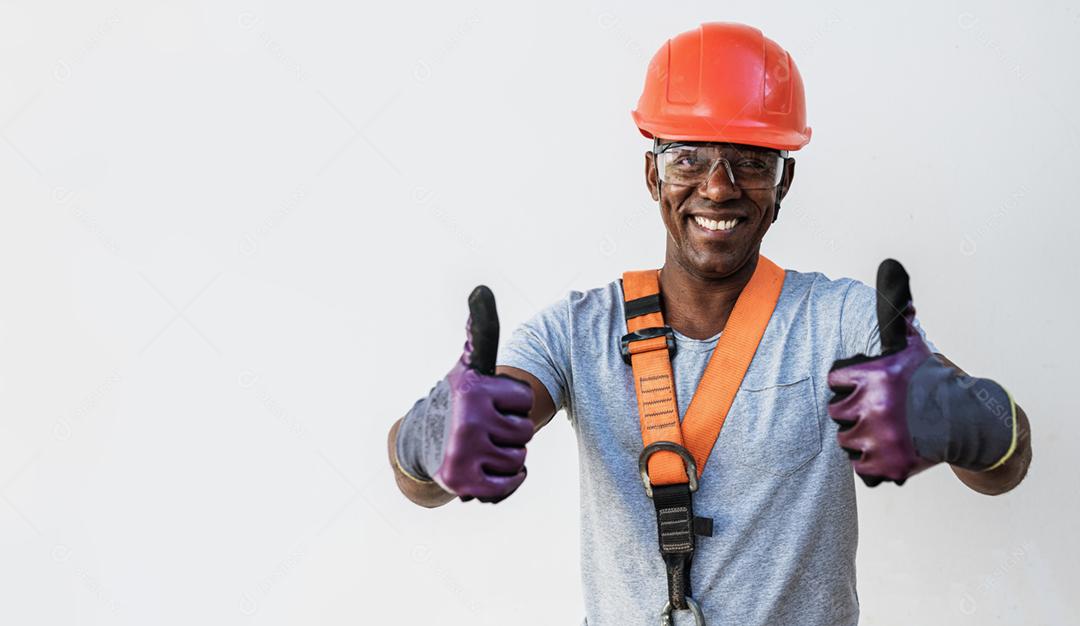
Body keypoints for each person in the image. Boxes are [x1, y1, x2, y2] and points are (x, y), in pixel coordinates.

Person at [386, 21, 1032, 626]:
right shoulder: (574, 332)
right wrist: (434, 435)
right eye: (688, 158)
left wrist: (957, 418)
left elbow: (1008, 463)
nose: (719, 188)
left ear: (784, 183)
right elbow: (434, 471)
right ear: (652, 174)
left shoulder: (846, 323)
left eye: (752, 161)